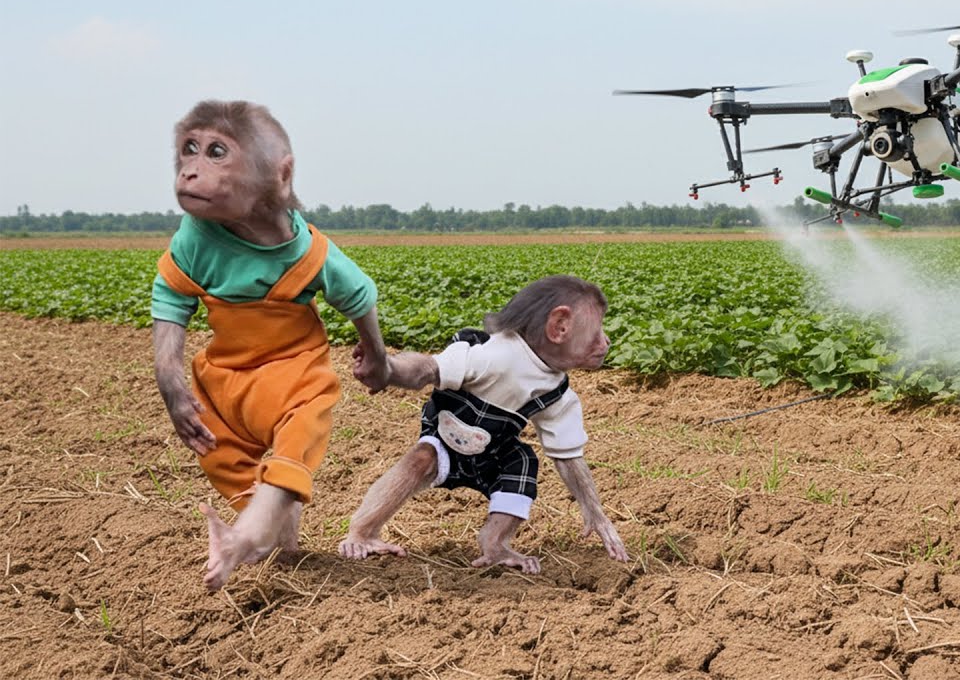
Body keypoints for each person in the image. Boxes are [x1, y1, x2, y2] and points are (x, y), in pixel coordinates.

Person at [151, 99, 391, 590]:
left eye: (217, 152)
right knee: (221, 451)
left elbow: (359, 296)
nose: (190, 170)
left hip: (294, 372)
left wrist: (377, 357)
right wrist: (169, 380)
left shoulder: (309, 252)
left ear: (280, 175)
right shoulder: (196, 236)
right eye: (189, 149)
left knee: (295, 442)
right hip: (227, 377)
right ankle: (279, 546)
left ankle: (243, 539)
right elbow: (172, 298)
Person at [339, 275, 629, 573]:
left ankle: (495, 544)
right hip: (448, 435)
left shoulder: (557, 392)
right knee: (421, 459)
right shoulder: (494, 354)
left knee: (520, 466)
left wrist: (594, 512)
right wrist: (387, 368)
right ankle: (363, 531)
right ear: (560, 326)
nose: (604, 341)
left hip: (494, 452)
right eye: (596, 331)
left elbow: (568, 456)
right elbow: (427, 368)